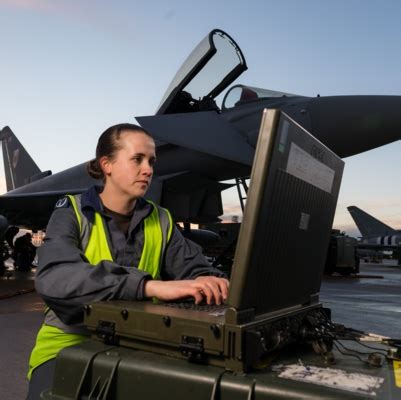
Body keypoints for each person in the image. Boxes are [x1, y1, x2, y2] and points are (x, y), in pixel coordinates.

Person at [27, 123, 228, 399]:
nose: (148, 169)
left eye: (151, 161)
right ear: (106, 164)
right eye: (137, 159)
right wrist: (149, 286)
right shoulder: (71, 212)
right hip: (69, 342)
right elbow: (55, 277)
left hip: (143, 341)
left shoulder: (161, 218)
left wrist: (209, 279)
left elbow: (193, 266)